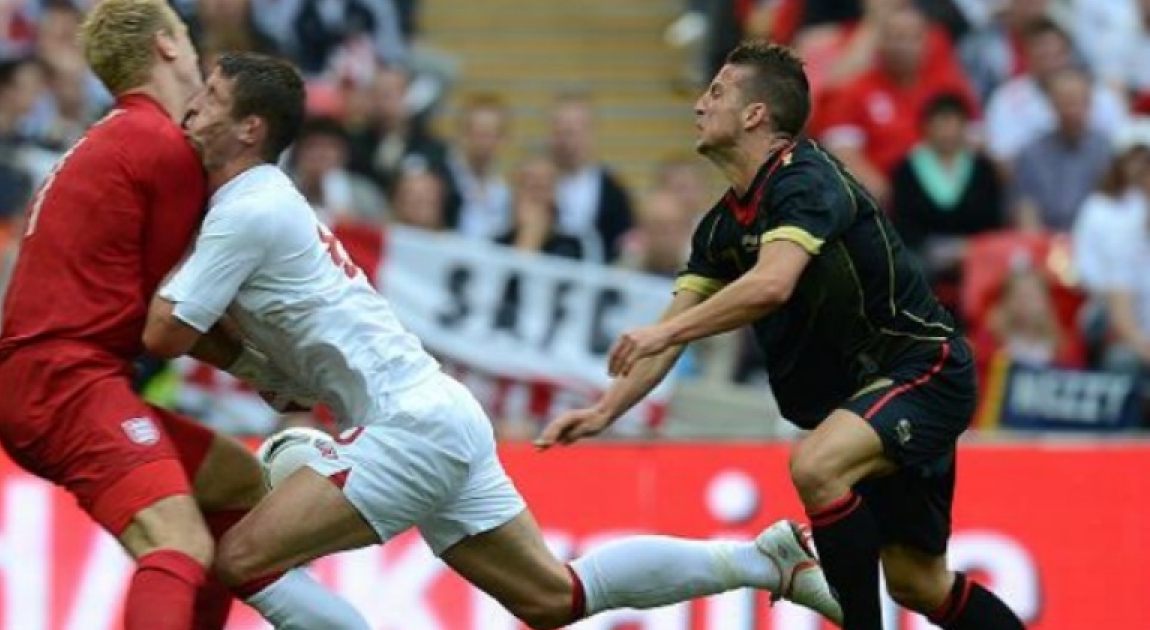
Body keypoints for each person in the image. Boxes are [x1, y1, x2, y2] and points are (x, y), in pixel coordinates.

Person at [142, 51, 843, 630]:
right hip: (436, 413)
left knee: (240, 561)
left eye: (211, 97)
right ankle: (761, 560)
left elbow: (166, 330)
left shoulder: (246, 210)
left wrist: (244, 361)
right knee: (553, 597)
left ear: (250, 128)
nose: (192, 107)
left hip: (404, 428)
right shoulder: (263, 202)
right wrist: (265, 368)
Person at [537, 41, 1029, 630]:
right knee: (919, 585)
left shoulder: (806, 180)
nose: (699, 104)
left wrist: (662, 333)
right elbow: (670, 335)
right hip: (866, 404)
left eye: (717, 92)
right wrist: (605, 409)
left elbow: (771, 284)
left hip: (922, 373)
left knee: (817, 467)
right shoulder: (721, 229)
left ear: (755, 115)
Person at [0, 2, 365, 630]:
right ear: (167, 45)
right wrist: (265, 371)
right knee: (178, 542)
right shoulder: (159, 145)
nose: (196, 56)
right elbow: (171, 315)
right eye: (188, 39)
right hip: (66, 382)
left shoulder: (123, 137)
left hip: (54, 378)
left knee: (238, 486)